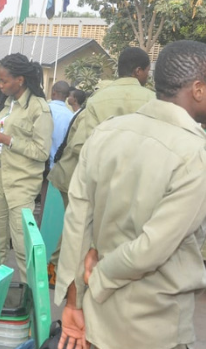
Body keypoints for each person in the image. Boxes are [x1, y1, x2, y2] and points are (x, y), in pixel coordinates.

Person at [55, 40, 206, 349]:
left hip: (96, 321)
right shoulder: (199, 156)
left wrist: (75, 301)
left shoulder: (107, 133)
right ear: (199, 89)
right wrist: (98, 275)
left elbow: (77, 224)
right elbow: (152, 249)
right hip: (154, 327)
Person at [46, 47, 155, 286]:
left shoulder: (97, 99)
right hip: (127, 179)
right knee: (96, 231)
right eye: (147, 71)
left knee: (80, 228)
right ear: (138, 71)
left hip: (89, 175)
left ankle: (64, 273)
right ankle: (63, 271)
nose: (149, 75)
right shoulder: (153, 100)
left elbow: (82, 145)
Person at [0, 53, 53, 283]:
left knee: (22, 244)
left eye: (4, 81)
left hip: (21, 182)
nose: (0, 86)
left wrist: (7, 139)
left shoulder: (38, 108)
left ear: (20, 80)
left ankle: (30, 298)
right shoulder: (7, 104)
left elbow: (42, 152)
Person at [47, 81, 74, 168]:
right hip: (58, 168)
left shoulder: (44, 109)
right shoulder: (72, 116)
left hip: (39, 166)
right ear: (67, 96)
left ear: (53, 92)